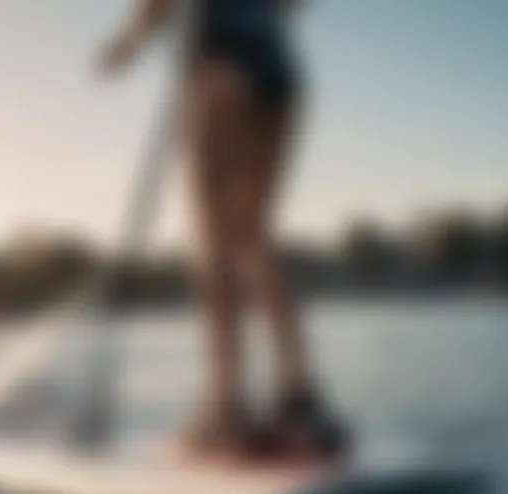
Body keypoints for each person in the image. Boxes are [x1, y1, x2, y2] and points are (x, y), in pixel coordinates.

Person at [97, 0, 348, 463]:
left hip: (220, 67)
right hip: (280, 73)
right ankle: (300, 400)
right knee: (252, 235)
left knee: (212, 235)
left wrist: (125, 47)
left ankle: (226, 408)